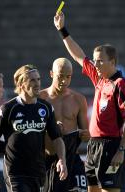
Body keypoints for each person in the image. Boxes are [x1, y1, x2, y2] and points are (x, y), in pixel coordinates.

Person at [54, 12, 125, 192]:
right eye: (95, 60)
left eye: (100, 61)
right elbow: (78, 56)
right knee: (92, 189)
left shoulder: (121, 86)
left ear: (112, 62)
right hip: (93, 146)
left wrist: (121, 150)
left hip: (111, 146)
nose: (95, 64)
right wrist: (62, 30)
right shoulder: (99, 78)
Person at [0, 64, 68, 192]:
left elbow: (57, 138)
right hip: (15, 172)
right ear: (21, 84)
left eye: (38, 79)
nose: (37, 84)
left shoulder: (46, 108)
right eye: (32, 80)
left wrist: (62, 160)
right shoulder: (7, 109)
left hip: (39, 172)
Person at [39, 57, 89, 192]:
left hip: (72, 158)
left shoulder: (78, 99)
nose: (64, 81)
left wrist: (84, 134)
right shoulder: (40, 99)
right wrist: (52, 130)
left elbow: (86, 135)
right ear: (51, 74)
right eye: (60, 76)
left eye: (68, 77)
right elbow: (31, 132)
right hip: (49, 159)